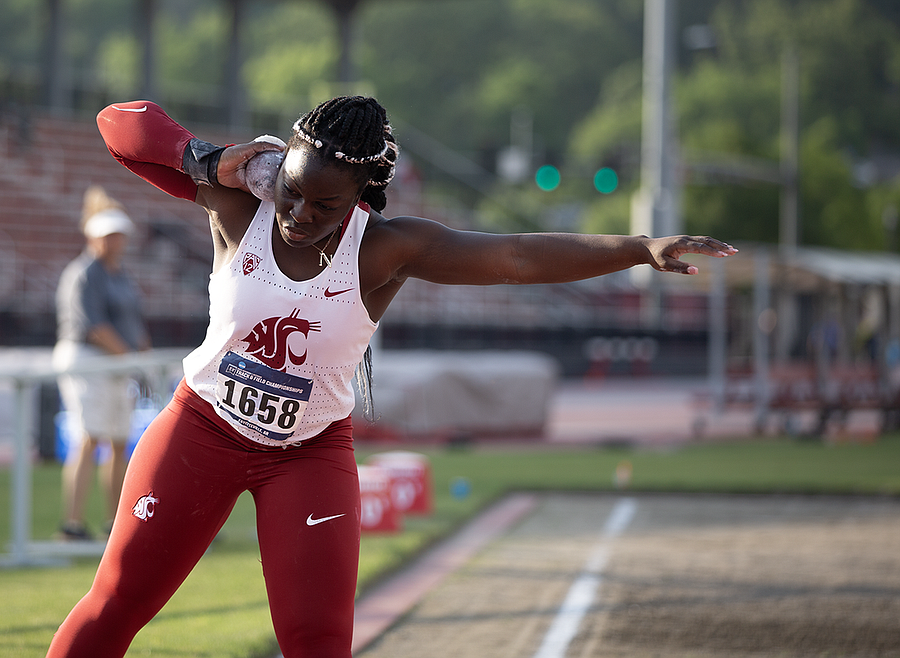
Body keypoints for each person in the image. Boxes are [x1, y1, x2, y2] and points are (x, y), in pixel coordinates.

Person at [46, 96, 736, 657]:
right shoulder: (238, 208)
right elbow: (120, 127)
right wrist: (212, 160)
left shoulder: (385, 251)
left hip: (307, 456)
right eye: (292, 192)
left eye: (325, 206)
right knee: (115, 605)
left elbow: (519, 257)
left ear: (360, 201)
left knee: (318, 644)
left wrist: (639, 248)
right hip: (201, 429)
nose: (298, 216)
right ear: (277, 171)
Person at [53, 186, 151, 541]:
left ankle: (115, 521)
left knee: (118, 440)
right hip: (89, 360)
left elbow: (132, 324)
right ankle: (72, 524)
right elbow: (93, 327)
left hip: (115, 363)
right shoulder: (84, 273)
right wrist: (133, 358)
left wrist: (140, 356)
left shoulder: (119, 275)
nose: (117, 242)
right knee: (88, 436)